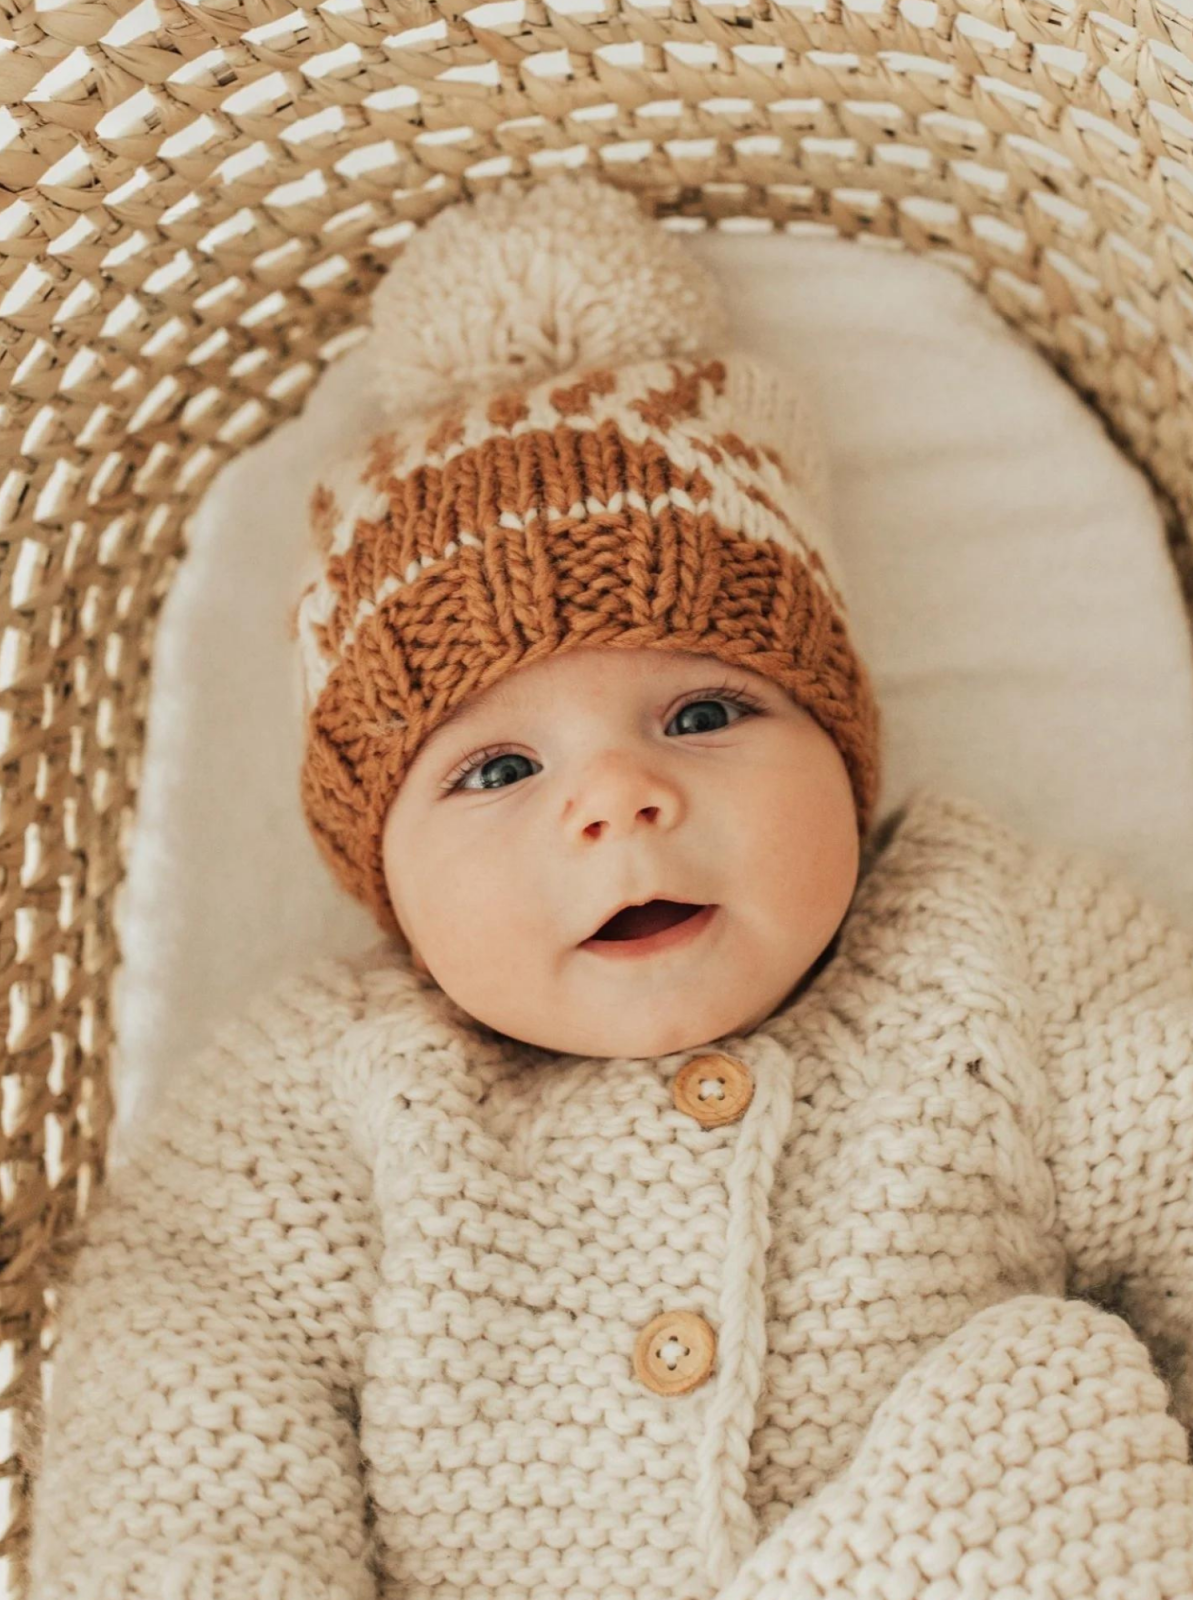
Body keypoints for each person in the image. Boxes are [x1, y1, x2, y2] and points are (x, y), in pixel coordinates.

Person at [28, 171, 1193, 1600]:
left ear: (840, 745)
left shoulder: (1002, 944)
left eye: (705, 716)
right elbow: (185, 1432)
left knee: (1058, 1421)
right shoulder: (324, 1100)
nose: (618, 798)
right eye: (497, 771)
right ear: (380, 874)